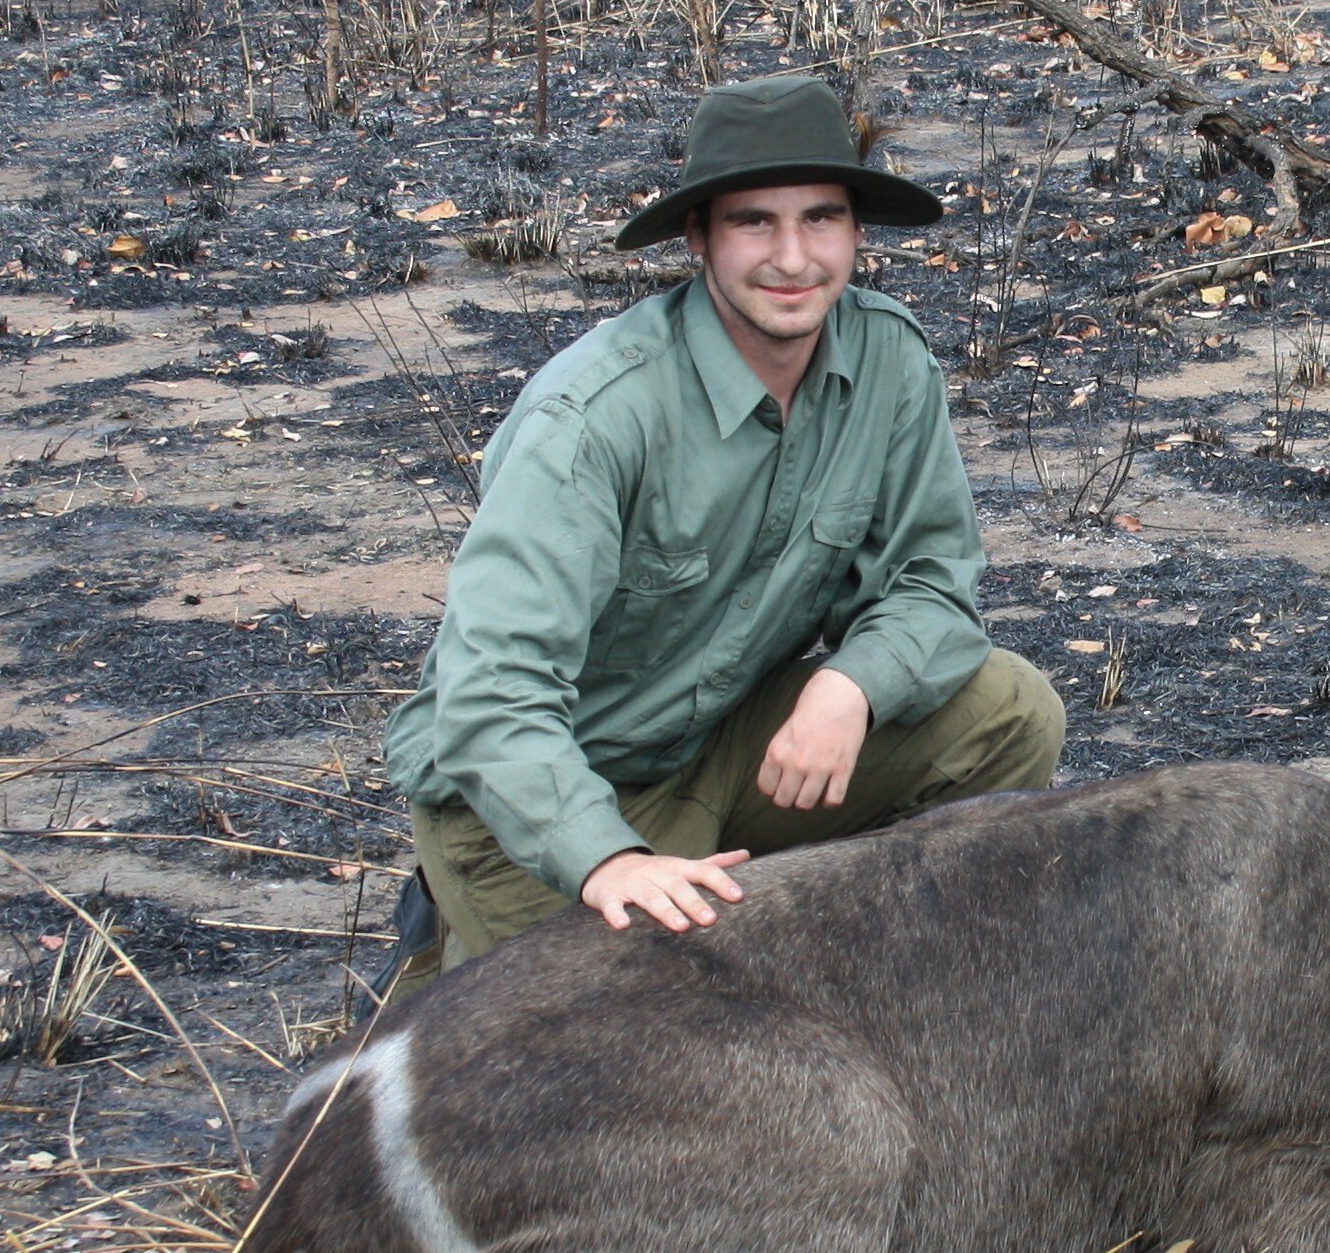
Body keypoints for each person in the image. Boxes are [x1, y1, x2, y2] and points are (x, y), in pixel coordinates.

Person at [374, 76, 1066, 999]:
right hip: (540, 797)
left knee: (1008, 711)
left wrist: (849, 688)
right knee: (637, 1052)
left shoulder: (890, 357)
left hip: (721, 744)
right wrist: (608, 860)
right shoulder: (595, 415)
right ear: (697, 238)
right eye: (753, 223)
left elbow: (933, 581)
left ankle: (895, 993)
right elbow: (493, 694)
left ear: (857, 232)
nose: (793, 257)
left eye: (821, 219)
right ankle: (455, 949)